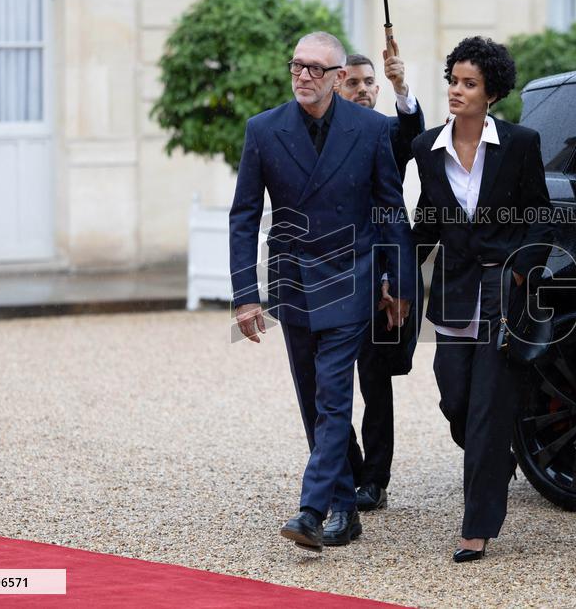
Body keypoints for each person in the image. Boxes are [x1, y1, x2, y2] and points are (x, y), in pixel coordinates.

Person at [229, 31, 415, 553]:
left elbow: (390, 211)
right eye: (297, 66)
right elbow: (243, 216)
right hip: (292, 284)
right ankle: (347, 511)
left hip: (349, 280)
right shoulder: (263, 130)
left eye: (315, 69)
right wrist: (246, 295)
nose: (303, 76)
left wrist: (398, 284)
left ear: (337, 78)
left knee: (333, 397)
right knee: (313, 400)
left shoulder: (373, 129)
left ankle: (314, 509)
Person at [411, 36, 554, 563]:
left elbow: (539, 214)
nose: (456, 91)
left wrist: (522, 271)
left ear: (490, 93)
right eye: (453, 80)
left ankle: (477, 527)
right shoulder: (427, 149)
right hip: (452, 293)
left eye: (468, 84)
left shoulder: (520, 144)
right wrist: (397, 273)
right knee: (456, 401)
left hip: (501, 293)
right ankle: (496, 453)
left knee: (488, 413)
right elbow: (427, 221)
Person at [335, 45, 425, 513]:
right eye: (353, 82)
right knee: (325, 384)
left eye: (368, 82)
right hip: (330, 276)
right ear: (336, 85)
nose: (363, 90)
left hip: (378, 276)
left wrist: (400, 89)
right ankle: (346, 466)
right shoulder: (320, 133)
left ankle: (375, 479)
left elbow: (412, 132)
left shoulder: (387, 132)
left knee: (374, 381)